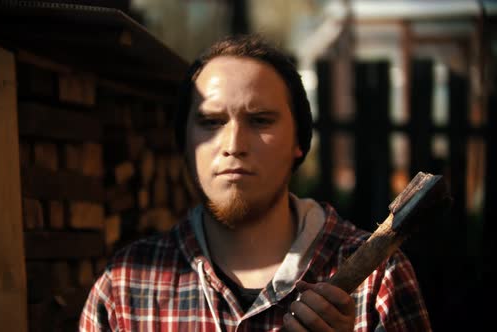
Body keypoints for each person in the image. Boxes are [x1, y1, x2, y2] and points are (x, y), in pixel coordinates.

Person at [79, 34, 431, 331]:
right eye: (211, 122)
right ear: (184, 142)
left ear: (299, 141)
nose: (234, 145)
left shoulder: (376, 282)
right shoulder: (126, 289)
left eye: (260, 120)